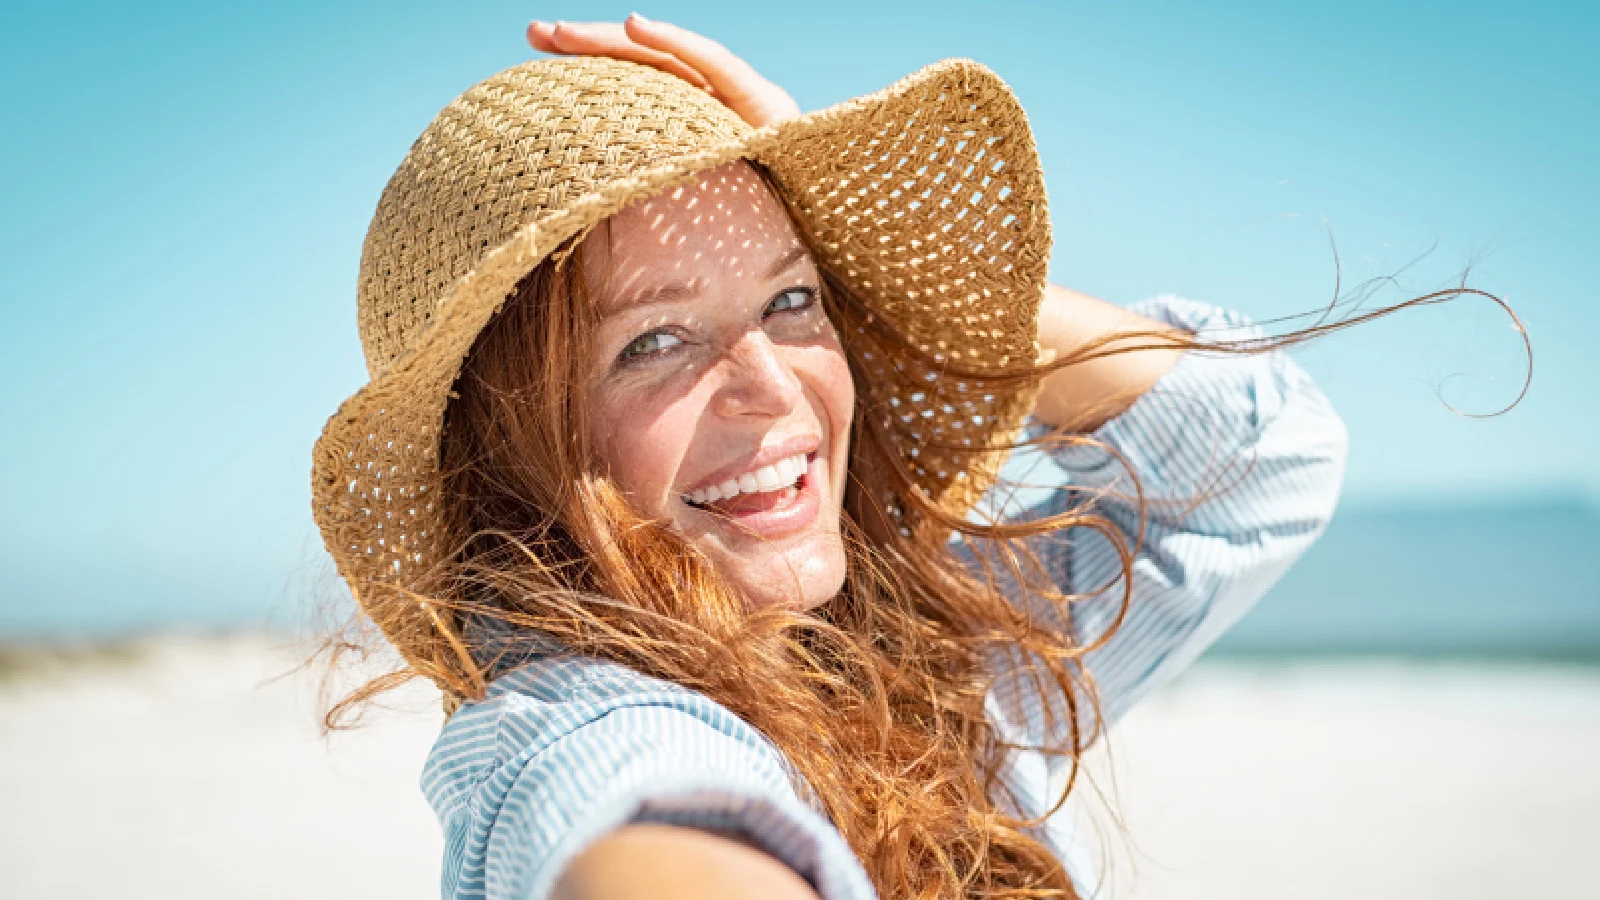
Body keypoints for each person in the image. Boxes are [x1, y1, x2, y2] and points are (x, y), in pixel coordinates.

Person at [311, 15, 1356, 900]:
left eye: (792, 299)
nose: (774, 386)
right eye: (652, 342)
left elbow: (1262, 457)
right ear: (509, 446)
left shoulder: (928, 660)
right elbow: (647, 824)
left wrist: (889, 268)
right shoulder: (573, 725)